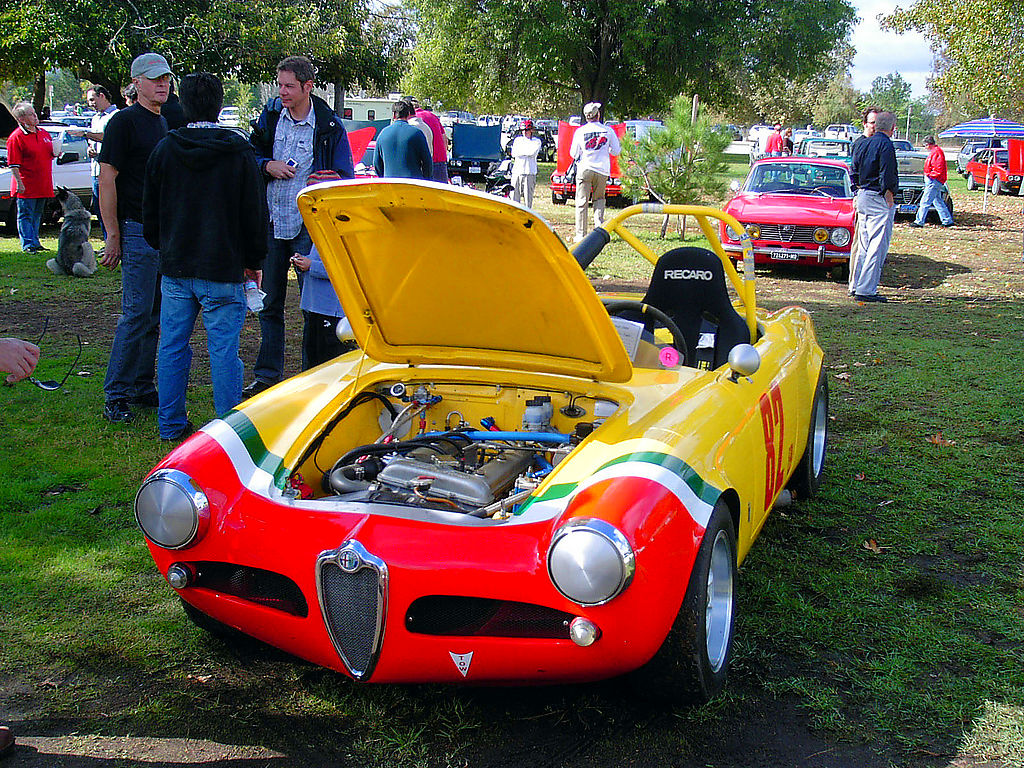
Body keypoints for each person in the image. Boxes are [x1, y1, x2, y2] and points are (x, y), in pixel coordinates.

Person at [143, 72, 268, 440]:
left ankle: (170, 425)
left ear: (183, 103)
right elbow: (254, 214)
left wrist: (163, 246)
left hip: (178, 264)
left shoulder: (165, 150)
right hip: (222, 267)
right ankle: (227, 435)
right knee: (224, 351)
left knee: (172, 346)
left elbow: (149, 211)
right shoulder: (239, 153)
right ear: (218, 104)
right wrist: (254, 261)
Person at [245, 55, 354, 397]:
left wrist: (329, 180)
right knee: (270, 303)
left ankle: (313, 375)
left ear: (308, 86)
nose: (282, 92)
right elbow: (251, 156)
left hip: (309, 227)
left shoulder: (330, 126)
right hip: (273, 219)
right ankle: (267, 377)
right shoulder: (270, 117)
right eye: (280, 85)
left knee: (315, 306)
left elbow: (345, 176)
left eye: (289, 85)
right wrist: (268, 165)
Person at [97, 52, 171, 423]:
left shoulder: (164, 123)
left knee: (155, 315)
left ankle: (142, 386)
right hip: (136, 229)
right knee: (136, 314)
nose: (163, 84)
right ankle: (117, 394)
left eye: (166, 78)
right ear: (136, 83)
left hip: (162, 233)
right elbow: (106, 177)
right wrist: (112, 233)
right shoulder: (123, 123)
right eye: (155, 78)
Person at [849, 110, 898, 303]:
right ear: (892, 128)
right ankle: (867, 289)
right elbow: (888, 173)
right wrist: (889, 195)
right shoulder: (885, 145)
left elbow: (854, 169)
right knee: (877, 245)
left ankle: (856, 284)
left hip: (862, 194)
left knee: (863, 244)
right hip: (878, 196)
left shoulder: (863, 143)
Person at [5, 102, 61, 253]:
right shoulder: (16, 137)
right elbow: (13, 164)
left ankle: (35, 241)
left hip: (42, 183)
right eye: (31, 114)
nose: (35, 116)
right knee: (25, 214)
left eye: (34, 113)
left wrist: (57, 152)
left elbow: (49, 154)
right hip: (26, 183)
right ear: (22, 119)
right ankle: (28, 243)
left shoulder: (43, 133)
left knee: (37, 214)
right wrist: (19, 183)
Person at [291, 245, 356, 370]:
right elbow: (318, 257)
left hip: (333, 310)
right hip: (314, 307)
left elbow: (346, 268)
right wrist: (302, 261)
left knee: (329, 364)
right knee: (312, 360)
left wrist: (312, 265)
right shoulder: (322, 230)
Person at [69, 85, 118, 239]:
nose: (91, 103)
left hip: (109, 170)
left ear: (102, 96)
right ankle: (107, 242)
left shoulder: (115, 116)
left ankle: (114, 242)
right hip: (95, 171)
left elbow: (108, 137)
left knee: (110, 210)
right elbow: (94, 140)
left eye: (92, 99)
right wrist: (90, 147)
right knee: (100, 210)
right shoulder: (96, 117)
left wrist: (85, 133)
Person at [570, 101, 620, 242]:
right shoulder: (608, 130)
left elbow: (574, 153)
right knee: (599, 199)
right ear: (598, 114)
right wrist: (606, 150)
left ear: (586, 116)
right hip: (602, 169)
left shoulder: (580, 131)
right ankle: (599, 230)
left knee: (581, 202)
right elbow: (616, 150)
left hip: (585, 168)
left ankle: (580, 234)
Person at [848, 106, 880, 297]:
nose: (875, 126)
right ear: (865, 124)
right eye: (872, 123)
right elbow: (854, 172)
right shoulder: (861, 143)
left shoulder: (880, 144)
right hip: (864, 197)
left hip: (874, 198)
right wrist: (857, 192)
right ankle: (855, 284)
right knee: (860, 244)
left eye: (878, 123)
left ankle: (863, 283)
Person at [373, 99, 432, 180]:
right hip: (413, 184)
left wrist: (384, 178)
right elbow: (427, 162)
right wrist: (427, 180)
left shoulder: (383, 134)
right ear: (408, 114)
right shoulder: (417, 133)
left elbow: (376, 164)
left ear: (393, 115)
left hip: (391, 184)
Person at [910, 136, 954, 228]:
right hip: (934, 180)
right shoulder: (935, 152)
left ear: (928, 144)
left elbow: (938, 168)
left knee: (925, 201)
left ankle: (919, 221)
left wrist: (930, 175)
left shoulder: (937, 152)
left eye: (925, 145)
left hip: (934, 180)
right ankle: (947, 220)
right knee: (938, 201)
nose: (925, 147)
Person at [413, 101, 448, 183]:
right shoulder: (433, 116)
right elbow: (444, 139)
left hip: (422, 164)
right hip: (440, 161)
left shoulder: (412, 119)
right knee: (441, 193)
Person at [510, 119, 542, 207]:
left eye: (527, 130)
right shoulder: (517, 140)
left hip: (529, 172)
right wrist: (525, 153)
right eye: (523, 130)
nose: (525, 132)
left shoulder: (536, 141)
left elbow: (532, 152)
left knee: (528, 198)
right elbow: (514, 153)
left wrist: (522, 152)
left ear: (531, 130)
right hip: (517, 171)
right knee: (514, 196)